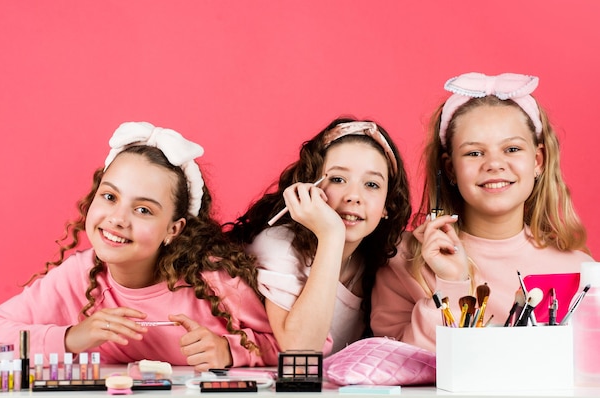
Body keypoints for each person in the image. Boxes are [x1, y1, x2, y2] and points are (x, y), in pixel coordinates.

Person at [0, 122, 279, 370]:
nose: (118, 219)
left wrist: (230, 351)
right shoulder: (79, 276)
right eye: (110, 197)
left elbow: (301, 347)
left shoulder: (213, 280)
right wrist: (69, 338)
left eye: (143, 210)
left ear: (173, 229)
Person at [371, 72, 594, 351]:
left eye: (512, 149)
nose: (494, 164)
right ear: (450, 168)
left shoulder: (577, 270)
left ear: (538, 161)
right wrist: (451, 284)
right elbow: (393, 368)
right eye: (474, 153)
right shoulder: (403, 261)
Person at [226, 117, 411, 355]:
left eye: (372, 185)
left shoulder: (378, 262)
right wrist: (331, 235)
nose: (354, 196)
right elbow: (300, 351)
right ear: (311, 186)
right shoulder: (279, 245)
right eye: (337, 179)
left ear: (388, 205)